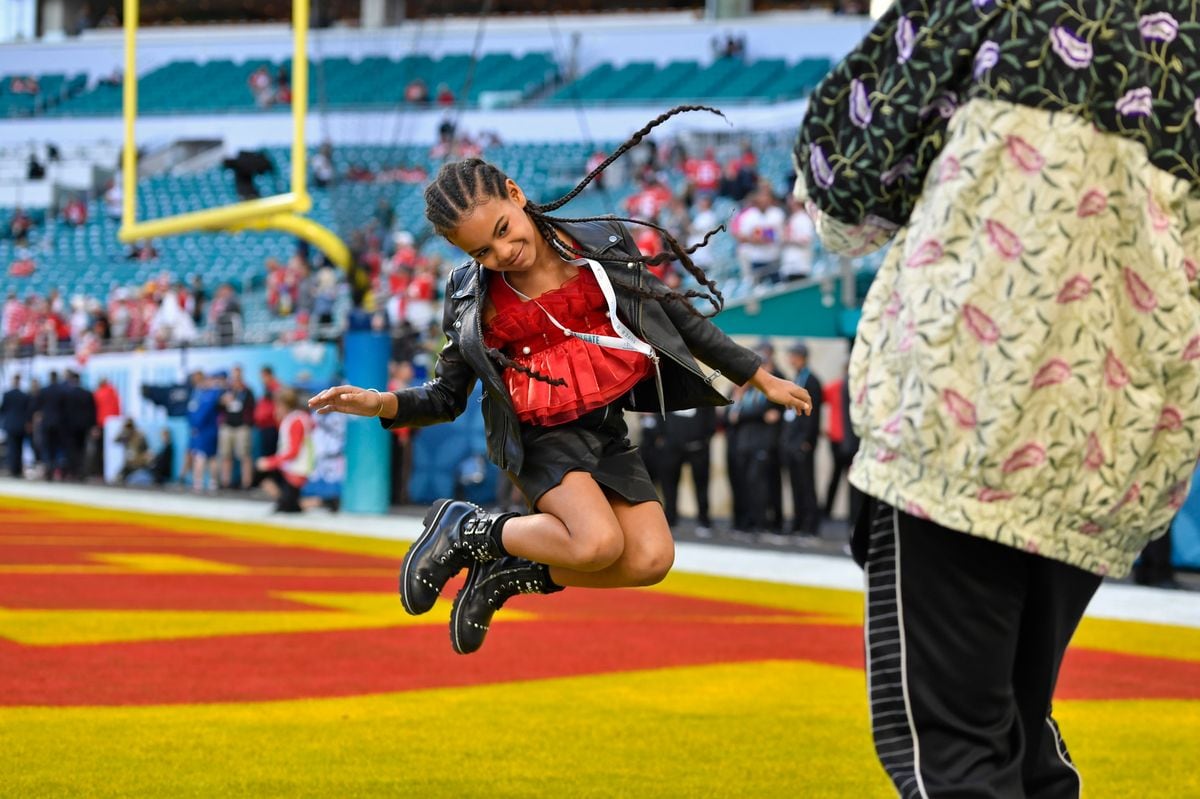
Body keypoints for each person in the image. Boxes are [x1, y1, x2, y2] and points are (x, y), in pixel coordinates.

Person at [794, 3, 1200, 796]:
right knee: (1015, 726)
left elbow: (842, 185)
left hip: (965, 414)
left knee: (954, 752)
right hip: (1122, 440)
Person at [310, 105, 812, 656]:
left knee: (649, 559)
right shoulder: (470, 297)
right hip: (539, 438)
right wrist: (381, 403)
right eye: (482, 250)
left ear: (515, 193)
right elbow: (447, 396)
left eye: (503, 230)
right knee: (596, 542)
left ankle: (504, 575)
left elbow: (680, 320)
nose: (502, 253)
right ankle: (468, 528)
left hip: (605, 430)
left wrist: (759, 377)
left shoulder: (601, 247)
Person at [780, 341, 823, 536]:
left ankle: (810, 525)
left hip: (802, 442)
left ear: (802, 357)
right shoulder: (797, 378)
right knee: (796, 484)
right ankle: (798, 522)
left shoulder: (811, 381)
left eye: (794, 355)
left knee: (806, 484)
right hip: (792, 441)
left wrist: (806, 440)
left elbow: (812, 415)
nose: (791, 359)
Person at [256, 387, 313, 513]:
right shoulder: (293, 418)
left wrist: (270, 462)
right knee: (288, 505)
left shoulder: (296, 420)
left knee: (289, 507)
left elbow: (293, 451)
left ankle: (322, 501)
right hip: (292, 468)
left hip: (296, 469)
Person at [218, 365, 255, 489]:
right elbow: (217, 407)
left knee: (244, 455)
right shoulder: (226, 390)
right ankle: (225, 482)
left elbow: (252, 407)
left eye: (238, 376)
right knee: (225, 455)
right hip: (227, 426)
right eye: (234, 376)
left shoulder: (247, 391)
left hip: (242, 426)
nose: (236, 379)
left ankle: (246, 483)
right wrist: (223, 401)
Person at [1, 374, 31, 477]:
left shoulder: (7, 394)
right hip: (21, 425)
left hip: (10, 425)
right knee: (19, 448)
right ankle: (18, 469)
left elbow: (3, 410)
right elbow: (28, 412)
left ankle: (13, 469)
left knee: (12, 448)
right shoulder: (24, 395)